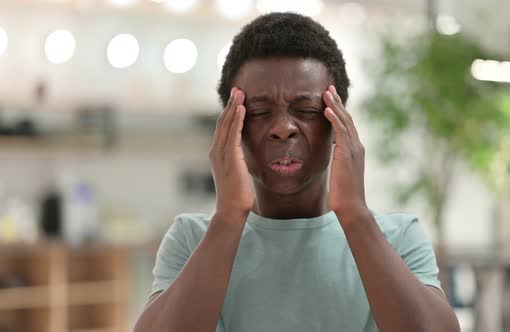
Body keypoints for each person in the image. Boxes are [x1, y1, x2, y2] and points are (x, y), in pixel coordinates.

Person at [134, 12, 459, 332]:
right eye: (259, 112)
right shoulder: (192, 238)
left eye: (306, 110)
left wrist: (355, 214)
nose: (283, 128)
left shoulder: (398, 238)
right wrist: (229, 216)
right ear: (231, 128)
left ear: (338, 123)